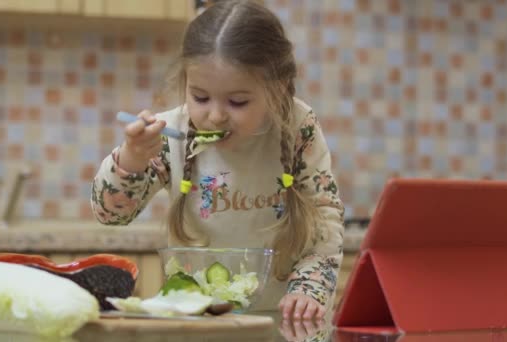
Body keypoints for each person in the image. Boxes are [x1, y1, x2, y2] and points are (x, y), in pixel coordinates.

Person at [91, 0, 344, 320]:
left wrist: (309, 288)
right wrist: (133, 158)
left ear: (277, 89)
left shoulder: (298, 126)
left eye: (237, 101)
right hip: (195, 320)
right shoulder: (172, 134)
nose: (215, 116)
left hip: (278, 319)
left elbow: (324, 214)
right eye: (200, 97)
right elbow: (110, 215)